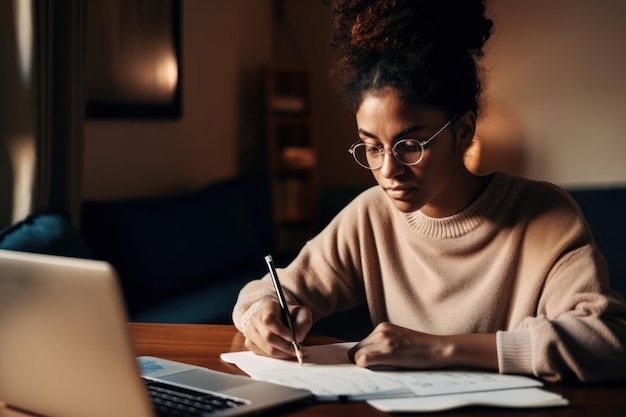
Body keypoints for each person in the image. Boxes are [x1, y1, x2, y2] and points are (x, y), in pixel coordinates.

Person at [232, 0, 626, 382]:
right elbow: (265, 292)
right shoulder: (371, 216)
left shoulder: (546, 215)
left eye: (409, 145)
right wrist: (263, 315)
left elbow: (610, 341)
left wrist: (437, 349)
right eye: (372, 147)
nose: (388, 171)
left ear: (464, 132)